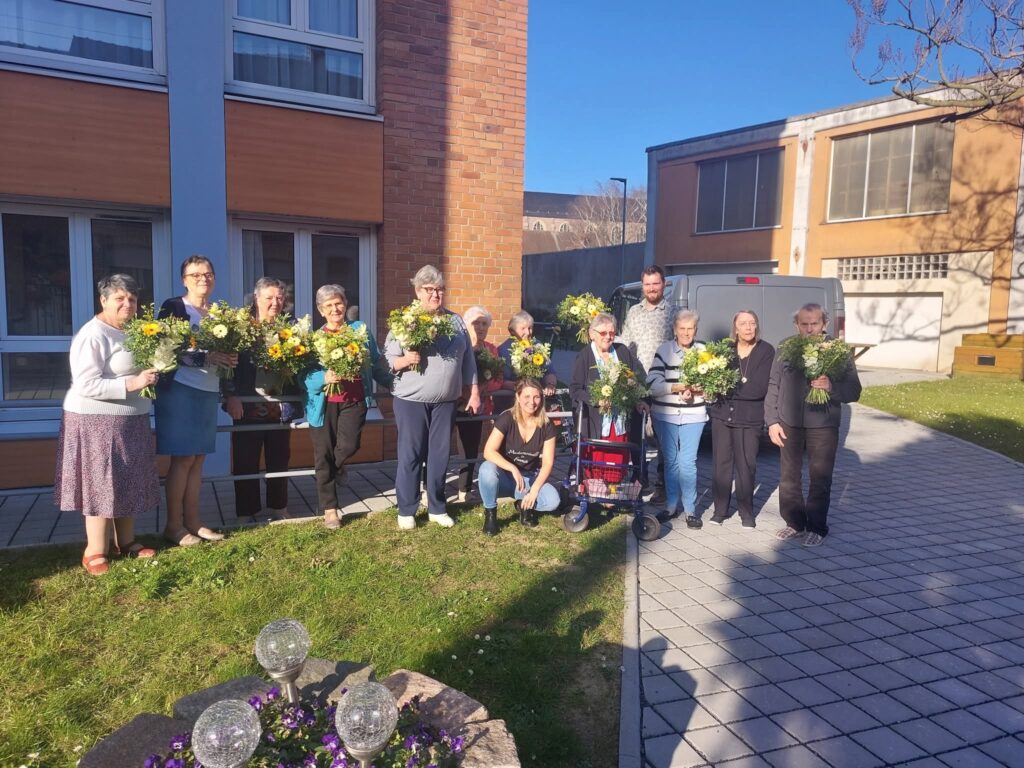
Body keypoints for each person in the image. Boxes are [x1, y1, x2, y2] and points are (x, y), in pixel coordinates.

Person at [55, 274, 160, 574]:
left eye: (132, 299)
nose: (128, 304)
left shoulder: (133, 330)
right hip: (95, 421)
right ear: (103, 300)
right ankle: (94, 550)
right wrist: (133, 383)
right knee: (100, 484)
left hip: (130, 419)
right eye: (120, 298)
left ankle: (125, 542)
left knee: (126, 478)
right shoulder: (93, 334)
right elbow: (86, 384)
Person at [385, 265, 480, 530]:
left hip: (446, 402)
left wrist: (473, 391)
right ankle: (407, 509)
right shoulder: (405, 320)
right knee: (411, 453)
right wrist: (405, 359)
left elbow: (468, 360)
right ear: (417, 291)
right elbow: (388, 359)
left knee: (439, 454)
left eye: (440, 289)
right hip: (411, 401)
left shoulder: (455, 321)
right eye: (429, 290)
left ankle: (437, 507)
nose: (435, 295)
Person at [156, 255, 238, 546]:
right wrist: (207, 357)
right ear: (184, 280)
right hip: (179, 390)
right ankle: (174, 526)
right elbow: (165, 351)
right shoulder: (174, 307)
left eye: (208, 274)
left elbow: (225, 355)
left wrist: (229, 365)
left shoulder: (219, 313)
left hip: (207, 390)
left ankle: (194, 522)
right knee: (183, 458)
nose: (203, 279)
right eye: (195, 275)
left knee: (198, 459)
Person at [765, 303, 862, 547]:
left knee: (820, 477)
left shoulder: (838, 350)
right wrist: (772, 421)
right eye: (804, 324)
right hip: (789, 423)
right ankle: (794, 523)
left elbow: (854, 390)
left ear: (825, 324)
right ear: (796, 325)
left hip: (823, 424)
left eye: (814, 324)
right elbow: (774, 384)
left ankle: (817, 526)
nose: (809, 329)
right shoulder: (785, 347)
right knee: (789, 476)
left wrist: (831, 387)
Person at [304, 284, 392, 529]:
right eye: (329, 305)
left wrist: (392, 383)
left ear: (345, 304)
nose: (335, 309)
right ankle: (330, 510)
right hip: (323, 404)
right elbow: (304, 376)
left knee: (349, 445)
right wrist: (323, 378)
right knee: (323, 454)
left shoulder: (359, 330)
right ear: (321, 310)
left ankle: (336, 467)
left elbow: (375, 364)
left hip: (354, 400)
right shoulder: (314, 339)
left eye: (339, 303)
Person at [224, 277, 299, 522]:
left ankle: (279, 506)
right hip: (247, 404)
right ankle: (246, 511)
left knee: (279, 458)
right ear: (256, 298)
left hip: (280, 404)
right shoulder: (241, 327)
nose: (275, 302)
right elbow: (226, 368)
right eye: (269, 297)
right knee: (245, 459)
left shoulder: (291, 327)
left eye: (280, 297)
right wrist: (231, 396)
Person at [707, 310, 775, 529]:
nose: (748, 327)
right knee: (721, 465)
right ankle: (720, 510)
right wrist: (720, 387)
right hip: (722, 416)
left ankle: (746, 512)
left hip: (749, 418)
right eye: (743, 323)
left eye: (752, 323)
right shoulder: (726, 350)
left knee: (746, 466)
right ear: (735, 328)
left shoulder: (766, 350)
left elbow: (759, 388)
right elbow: (714, 381)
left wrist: (727, 389)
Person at [647, 309, 708, 529]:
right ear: (674, 329)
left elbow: (712, 387)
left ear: (696, 330)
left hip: (694, 414)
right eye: (682, 328)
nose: (686, 333)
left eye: (690, 328)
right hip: (666, 415)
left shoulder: (703, 351)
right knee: (671, 461)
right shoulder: (664, 350)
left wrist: (698, 391)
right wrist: (676, 387)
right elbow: (652, 384)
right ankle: (671, 507)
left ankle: (690, 510)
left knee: (687, 462)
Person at [569, 312, 647, 484]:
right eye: (603, 333)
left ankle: (613, 491)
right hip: (595, 422)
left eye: (612, 333)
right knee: (596, 467)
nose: (608, 337)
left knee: (616, 465)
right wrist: (596, 400)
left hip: (618, 421)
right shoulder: (584, 356)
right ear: (592, 334)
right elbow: (575, 389)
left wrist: (638, 399)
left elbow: (635, 380)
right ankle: (594, 490)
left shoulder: (622, 351)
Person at [478, 378, 563, 534]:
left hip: (528, 479)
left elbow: (548, 463)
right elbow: (488, 451)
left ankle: (523, 505)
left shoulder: (547, 425)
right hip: (504, 477)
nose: (532, 402)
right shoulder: (507, 418)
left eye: (536, 397)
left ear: (542, 398)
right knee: (486, 468)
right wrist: (512, 468)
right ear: (518, 397)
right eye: (527, 396)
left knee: (553, 501)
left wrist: (534, 491)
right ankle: (490, 515)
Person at [620, 265, 674, 504]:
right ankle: (640, 480)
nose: (651, 288)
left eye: (656, 283)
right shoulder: (634, 312)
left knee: (663, 439)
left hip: (663, 384)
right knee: (636, 435)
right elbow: (626, 343)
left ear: (664, 284)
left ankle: (663, 486)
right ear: (642, 286)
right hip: (636, 383)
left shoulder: (673, 312)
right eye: (647, 284)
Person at [456, 305, 505, 502]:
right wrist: (466, 390)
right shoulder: (459, 346)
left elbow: (498, 378)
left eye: (484, 324)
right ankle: (429, 488)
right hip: (454, 402)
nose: (481, 327)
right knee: (439, 446)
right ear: (466, 325)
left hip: (478, 405)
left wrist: (484, 388)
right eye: (476, 323)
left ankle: (464, 490)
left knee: (470, 446)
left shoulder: (491, 350)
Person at [497, 310, 558, 395]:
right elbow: (502, 381)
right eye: (523, 328)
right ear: (512, 331)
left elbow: (549, 371)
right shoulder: (504, 350)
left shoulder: (538, 345)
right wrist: (524, 387)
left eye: (530, 328)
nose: (528, 332)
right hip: (511, 397)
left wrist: (550, 385)